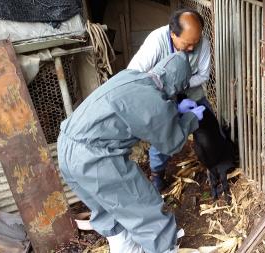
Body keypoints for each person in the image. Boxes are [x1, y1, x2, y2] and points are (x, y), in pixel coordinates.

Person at [57, 52, 205, 253]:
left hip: (66, 147)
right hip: (95, 157)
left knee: (108, 210)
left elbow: (135, 111)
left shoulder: (131, 76)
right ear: (178, 84)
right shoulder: (153, 101)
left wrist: (175, 110)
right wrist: (191, 118)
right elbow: (171, 143)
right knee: (144, 208)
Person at [127, 8, 212, 191]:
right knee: (163, 139)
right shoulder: (156, 41)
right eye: (188, 44)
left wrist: (183, 85)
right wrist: (166, 90)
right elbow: (134, 73)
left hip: (191, 90)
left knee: (208, 127)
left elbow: (204, 75)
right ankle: (157, 174)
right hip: (161, 95)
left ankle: (211, 163)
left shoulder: (202, 43)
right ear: (173, 34)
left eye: (195, 43)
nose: (192, 48)